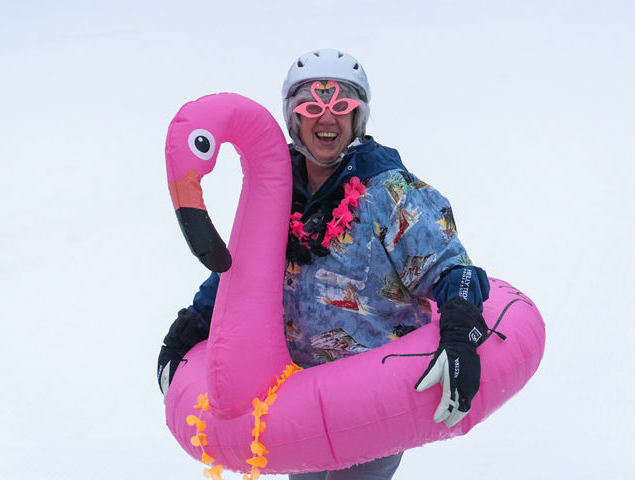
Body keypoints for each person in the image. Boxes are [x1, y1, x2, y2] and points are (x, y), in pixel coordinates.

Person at [158, 48, 491, 480]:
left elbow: (453, 270)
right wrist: (195, 320)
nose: (327, 118)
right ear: (293, 118)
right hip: (296, 399)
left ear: (358, 117)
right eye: (311, 107)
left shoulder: (390, 192)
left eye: (341, 106)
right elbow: (244, 273)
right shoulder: (275, 191)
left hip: (375, 397)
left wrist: (461, 331)